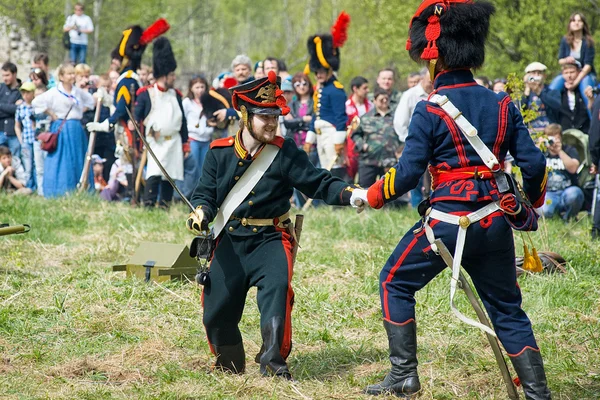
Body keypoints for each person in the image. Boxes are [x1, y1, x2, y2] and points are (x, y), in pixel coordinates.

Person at [351, 1, 551, 398]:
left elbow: (407, 174)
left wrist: (371, 195)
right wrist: (531, 202)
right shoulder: (502, 104)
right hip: (496, 221)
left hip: (447, 221)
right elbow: (536, 165)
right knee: (508, 311)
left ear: (433, 56)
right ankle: (537, 394)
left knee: (393, 282)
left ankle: (404, 376)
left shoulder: (429, 109)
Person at [186, 70, 359, 380]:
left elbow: (318, 183)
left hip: (271, 237)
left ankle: (273, 364)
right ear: (244, 115)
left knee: (277, 294)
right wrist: (200, 211)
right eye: (263, 116)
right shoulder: (219, 153)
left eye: (274, 116)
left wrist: (352, 195)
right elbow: (205, 193)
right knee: (217, 309)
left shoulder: (284, 152)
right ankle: (229, 363)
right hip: (230, 237)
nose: (270, 122)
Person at [86, 18, 170, 200]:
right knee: (130, 162)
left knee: (129, 162)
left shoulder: (127, 79)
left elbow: (123, 107)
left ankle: (133, 196)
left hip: (127, 128)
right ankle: (134, 195)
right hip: (131, 127)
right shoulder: (131, 77)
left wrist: (106, 124)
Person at [134, 37, 188, 209]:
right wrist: (138, 141)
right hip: (154, 140)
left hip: (173, 140)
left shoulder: (176, 95)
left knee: (169, 175)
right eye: (172, 74)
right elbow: (137, 120)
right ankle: (148, 204)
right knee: (154, 173)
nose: (174, 77)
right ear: (164, 75)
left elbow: (183, 121)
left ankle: (165, 205)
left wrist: (185, 143)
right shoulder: (145, 94)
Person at [32, 63, 95, 197]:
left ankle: (81, 188)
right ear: (61, 76)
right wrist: (51, 114)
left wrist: (80, 110)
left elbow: (91, 102)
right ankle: (58, 190)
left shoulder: (77, 91)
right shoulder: (55, 92)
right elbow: (37, 102)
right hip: (62, 127)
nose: (72, 76)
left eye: (73, 73)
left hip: (76, 128)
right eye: (69, 74)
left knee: (78, 157)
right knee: (61, 159)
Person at [304, 12, 351, 181]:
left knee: (335, 167)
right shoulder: (320, 89)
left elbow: (340, 117)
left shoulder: (336, 89)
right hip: (320, 133)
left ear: (329, 70)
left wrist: (339, 140)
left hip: (332, 133)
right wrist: (310, 138)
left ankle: (339, 203)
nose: (318, 75)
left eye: (321, 71)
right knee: (325, 167)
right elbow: (316, 114)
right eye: (316, 72)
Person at [351, 86, 402, 188]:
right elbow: (355, 134)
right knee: (365, 190)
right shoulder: (365, 118)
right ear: (374, 100)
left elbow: (404, 133)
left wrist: (401, 149)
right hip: (369, 160)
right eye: (381, 99)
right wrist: (363, 145)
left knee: (390, 190)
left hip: (390, 160)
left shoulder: (397, 117)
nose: (384, 101)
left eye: (386, 99)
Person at [549, 12, 596, 111]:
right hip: (568, 73)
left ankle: (594, 122)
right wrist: (567, 59)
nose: (576, 23)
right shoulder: (565, 40)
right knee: (552, 89)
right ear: (570, 24)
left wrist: (575, 83)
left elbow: (588, 66)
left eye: (579, 21)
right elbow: (560, 60)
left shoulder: (588, 42)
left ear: (583, 24)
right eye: (574, 20)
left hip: (584, 75)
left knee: (587, 93)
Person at [539, 124, 584, 221]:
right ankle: (557, 214)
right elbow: (532, 168)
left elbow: (573, 168)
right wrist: (538, 147)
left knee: (575, 194)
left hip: (567, 190)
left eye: (556, 138)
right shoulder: (541, 153)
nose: (552, 142)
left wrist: (559, 152)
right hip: (549, 193)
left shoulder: (569, 150)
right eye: (550, 138)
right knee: (545, 211)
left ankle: (568, 217)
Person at [182, 75, 214, 196]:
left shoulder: (209, 102)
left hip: (206, 139)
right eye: (197, 87)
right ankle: (187, 194)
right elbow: (183, 120)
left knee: (203, 169)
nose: (200, 90)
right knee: (192, 169)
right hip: (193, 139)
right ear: (191, 88)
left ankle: (200, 196)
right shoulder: (187, 103)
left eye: (202, 87)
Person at [213, 55, 254, 125]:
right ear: (234, 72)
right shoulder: (230, 88)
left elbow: (252, 109)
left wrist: (229, 112)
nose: (240, 72)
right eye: (237, 70)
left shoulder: (255, 86)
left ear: (250, 70)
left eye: (244, 69)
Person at [522, 62, 561, 133]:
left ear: (544, 76)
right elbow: (520, 110)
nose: (536, 76)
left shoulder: (552, 92)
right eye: (533, 73)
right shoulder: (525, 94)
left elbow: (557, 106)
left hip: (549, 132)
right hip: (531, 132)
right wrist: (527, 89)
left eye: (539, 73)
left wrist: (539, 92)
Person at [557, 61, 592, 133]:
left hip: (584, 132)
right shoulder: (560, 92)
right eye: (566, 73)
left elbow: (592, 110)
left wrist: (590, 99)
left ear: (579, 73)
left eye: (572, 72)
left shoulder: (584, 90)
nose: (569, 76)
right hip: (565, 134)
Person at [14, 82, 37, 191]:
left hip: (37, 140)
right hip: (26, 140)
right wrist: (21, 140)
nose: (25, 95)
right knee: (28, 166)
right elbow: (17, 125)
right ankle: (29, 188)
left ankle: (38, 187)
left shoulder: (36, 106)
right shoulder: (20, 108)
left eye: (28, 92)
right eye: (23, 93)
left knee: (37, 165)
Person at [0, 62, 23, 159]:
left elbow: (19, 110)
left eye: (7, 75)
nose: (5, 78)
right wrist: (11, 107)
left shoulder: (21, 90)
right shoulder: (1, 88)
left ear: (14, 74)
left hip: (14, 133)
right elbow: (14, 109)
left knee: (16, 160)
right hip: (0, 131)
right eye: (3, 75)